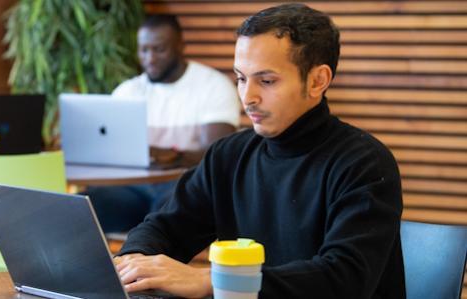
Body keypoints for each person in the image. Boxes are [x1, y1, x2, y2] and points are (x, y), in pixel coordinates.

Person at [114, 4, 405, 298]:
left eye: (266, 81)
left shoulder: (365, 163)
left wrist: (214, 281)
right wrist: (133, 262)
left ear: (318, 81)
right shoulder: (228, 155)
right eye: (241, 78)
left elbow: (343, 278)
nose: (248, 97)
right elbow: (165, 227)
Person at [86, 14, 241, 233]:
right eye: (144, 50)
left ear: (180, 46)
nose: (150, 58)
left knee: (164, 217)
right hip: (133, 189)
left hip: (184, 183)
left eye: (159, 49)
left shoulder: (213, 86)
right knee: (82, 208)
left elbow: (217, 154)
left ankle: (145, 263)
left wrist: (171, 155)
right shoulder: (127, 91)